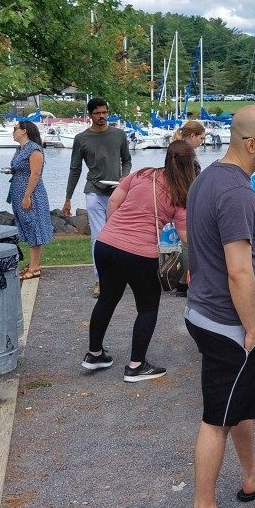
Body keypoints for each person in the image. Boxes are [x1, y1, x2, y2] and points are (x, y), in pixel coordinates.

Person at [183, 106, 255, 508]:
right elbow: (239, 270)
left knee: (237, 401)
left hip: (203, 311)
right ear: (250, 144)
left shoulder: (208, 177)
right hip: (226, 321)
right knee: (216, 418)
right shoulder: (238, 194)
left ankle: (253, 472)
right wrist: (250, 325)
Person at [81, 141, 199, 382]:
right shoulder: (181, 193)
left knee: (107, 298)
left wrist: (117, 233)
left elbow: (113, 202)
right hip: (140, 254)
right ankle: (136, 366)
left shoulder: (142, 174)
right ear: (190, 164)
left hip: (106, 244)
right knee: (147, 307)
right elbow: (185, 235)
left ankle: (95, 354)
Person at [62, 98, 131, 296]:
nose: (101, 116)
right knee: (98, 237)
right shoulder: (82, 139)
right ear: (90, 115)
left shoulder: (119, 135)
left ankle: (117, 277)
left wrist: (124, 178)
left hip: (117, 192)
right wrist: (68, 198)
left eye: (104, 112)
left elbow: (126, 160)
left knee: (117, 236)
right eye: (97, 113)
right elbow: (75, 169)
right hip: (93, 190)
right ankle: (100, 280)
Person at [9, 120, 53, 280]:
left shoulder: (34, 149)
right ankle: (33, 263)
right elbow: (22, 169)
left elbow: (35, 174)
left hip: (31, 194)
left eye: (15, 129)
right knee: (26, 226)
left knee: (33, 225)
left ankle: (34, 267)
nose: (12, 132)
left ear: (24, 131)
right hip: (19, 192)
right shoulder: (20, 149)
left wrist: (27, 195)